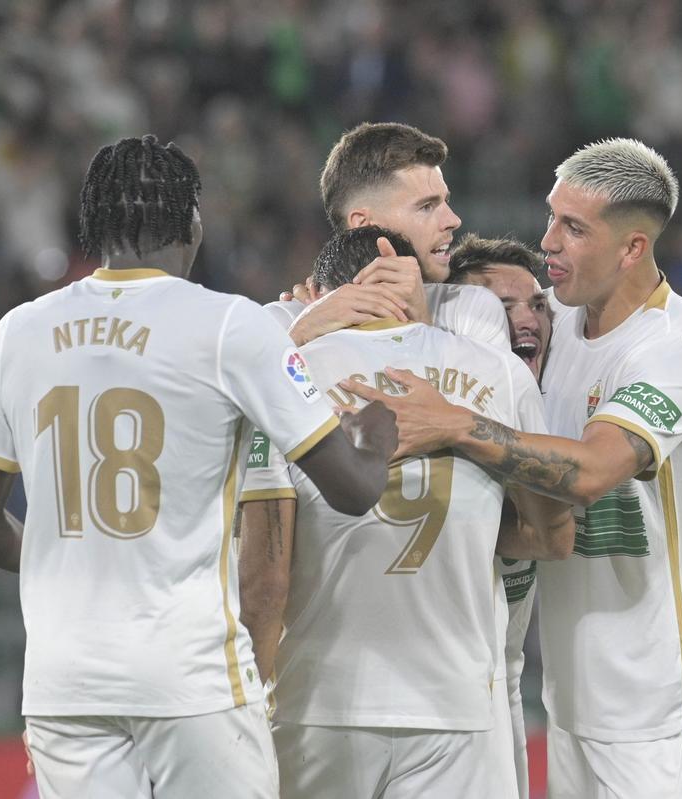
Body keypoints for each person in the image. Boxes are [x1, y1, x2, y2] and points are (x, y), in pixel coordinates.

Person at [0, 135, 397, 799]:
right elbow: (355, 491)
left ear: (91, 227)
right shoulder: (229, 326)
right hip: (190, 674)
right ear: (193, 223)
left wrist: (67, 558)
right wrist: (376, 433)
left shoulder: (18, 331)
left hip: (63, 681)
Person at [343, 139, 682, 799]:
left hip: (657, 701)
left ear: (632, 248)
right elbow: (446, 311)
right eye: (552, 216)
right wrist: (321, 305)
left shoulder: (671, 353)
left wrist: (456, 422)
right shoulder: (555, 321)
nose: (547, 241)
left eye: (573, 229)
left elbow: (588, 472)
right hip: (574, 697)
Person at [238, 225, 573, 799]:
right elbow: (553, 537)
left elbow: (266, 576)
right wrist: (471, 524)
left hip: (318, 703)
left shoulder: (287, 375)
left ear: (325, 291)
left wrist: (246, 706)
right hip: (457, 708)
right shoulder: (502, 374)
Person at [445, 234, 552, 799]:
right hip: (435, 701)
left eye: (536, 304)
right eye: (498, 307)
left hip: (503, 685)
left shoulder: (556, 401)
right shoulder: (424, 413)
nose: (524, 319)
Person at [276, 122, 509, 352]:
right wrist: (299, 336)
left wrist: (421, 325)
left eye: (445, 201)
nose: (453, 220)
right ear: (363, 225)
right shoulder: (284, 321)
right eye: (426, 206)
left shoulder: (474, 312)